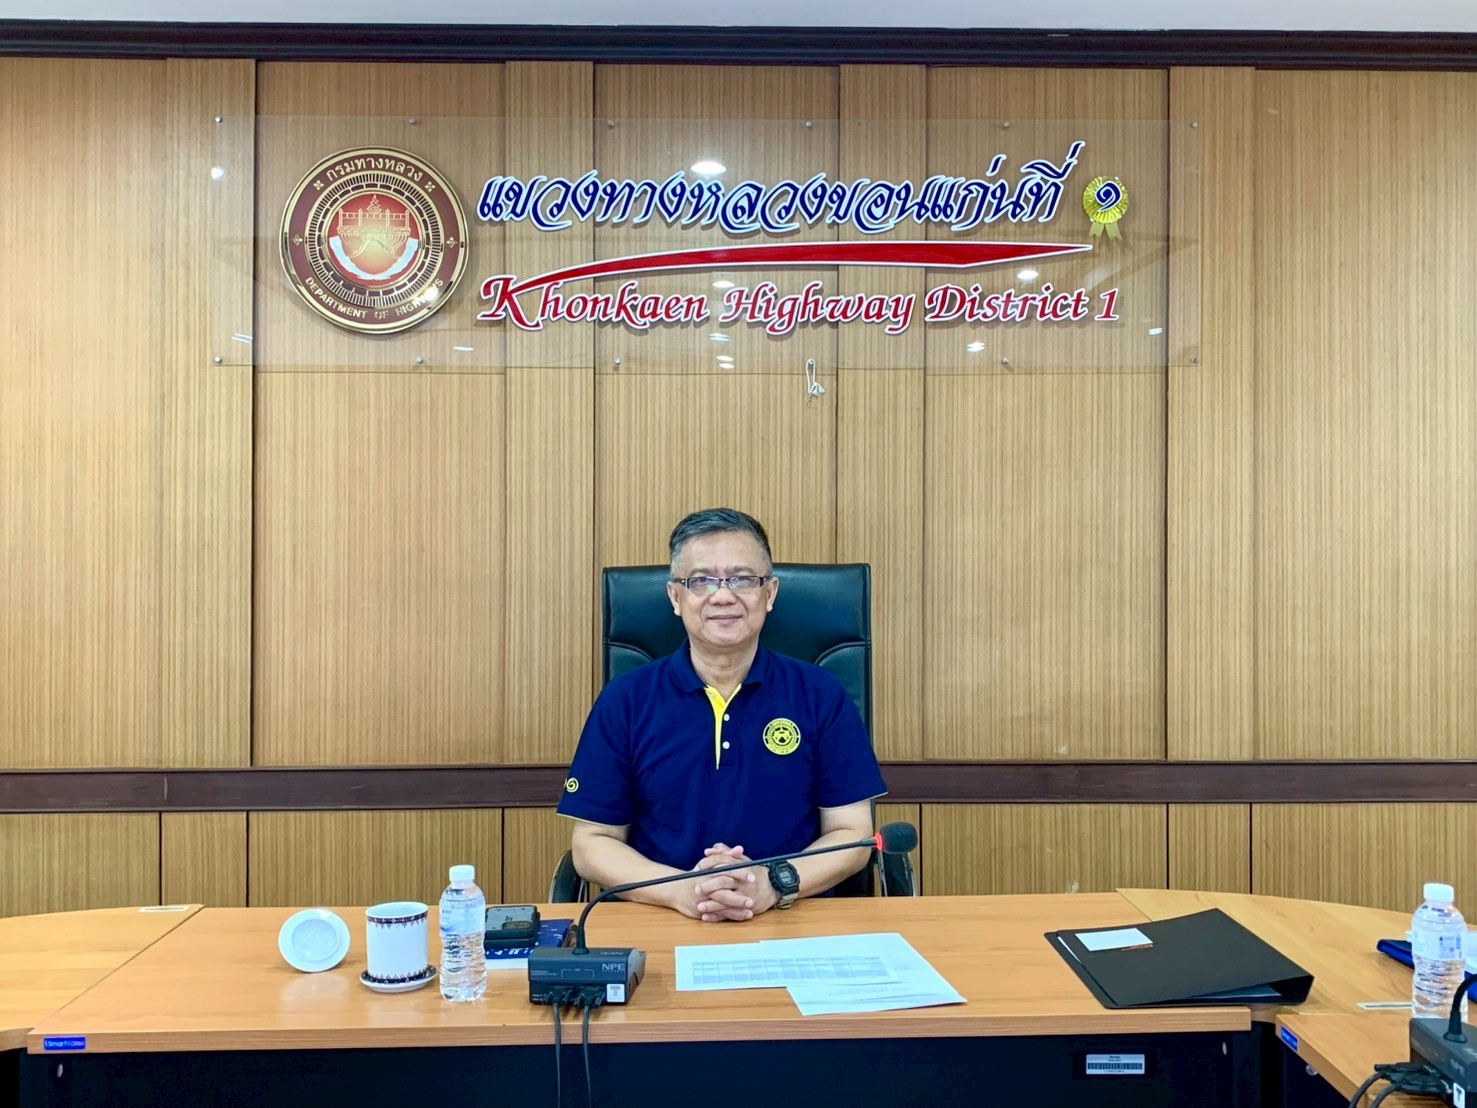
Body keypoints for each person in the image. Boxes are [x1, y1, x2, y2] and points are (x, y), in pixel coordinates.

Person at [557, 507, 887, 922]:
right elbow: (591, 843)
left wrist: (773, 883)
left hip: (795, 918)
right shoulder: (625, 700)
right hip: (659, 917)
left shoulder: (821, 694)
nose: (723, 595)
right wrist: (680, 890)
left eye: (742, 579)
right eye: (701, 581)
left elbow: (852, 834)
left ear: (770, 593)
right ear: (675, 597)